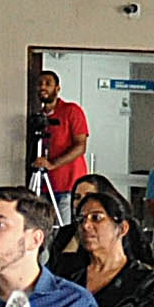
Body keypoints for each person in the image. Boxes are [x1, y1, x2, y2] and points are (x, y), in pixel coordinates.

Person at [68, 195, 154, 307]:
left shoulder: (145, 280)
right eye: (81, 220)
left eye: (96, 218)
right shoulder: (72, 280)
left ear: (122, 228)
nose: (85, 226)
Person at [33, 69, 89, 206]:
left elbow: (80, 146)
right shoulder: (39, 117)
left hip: (69, 186)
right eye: (40, 84)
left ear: (57, 89)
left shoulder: (71, 111)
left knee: (65, 227)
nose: (43, 87)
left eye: (48, 83)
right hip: (45, 186)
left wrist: (53, 164)